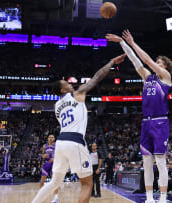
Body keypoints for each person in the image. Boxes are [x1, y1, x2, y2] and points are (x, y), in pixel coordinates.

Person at [31, 53, 126, 203]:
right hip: (75, 141)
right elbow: (97, 77)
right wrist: (112, 61)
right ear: (63, 90)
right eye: (66, 84)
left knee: (55, 181)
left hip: (61, 142)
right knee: (87, 183)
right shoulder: (77, 94)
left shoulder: (57, 106)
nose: (70, 84)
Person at [106, 30, 172, 203]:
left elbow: (146, 60)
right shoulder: (147, 77)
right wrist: (122, 43)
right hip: (146, 122)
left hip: (160, 122)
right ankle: (150, 198)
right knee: (146, 162)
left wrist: (133, 42)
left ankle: (163, 197)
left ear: (164, 67)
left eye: (159, 63)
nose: (156, 64)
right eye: (157, 62)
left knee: (160, 160)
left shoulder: (166, 77)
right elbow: (135, 60)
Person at [40, 134, 59, 203]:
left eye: (52, 137)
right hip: (46, 164)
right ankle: (40, 197)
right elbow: (42, 155)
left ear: (54, 139)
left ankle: (56, 198)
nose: (51, 138)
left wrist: (54, 158)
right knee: (42, 182)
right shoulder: (44, 146)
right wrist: (43, 156)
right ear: (48, 139)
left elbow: (60, 154)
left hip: (54, 165)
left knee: (54, 182)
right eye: (49, 137)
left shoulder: (56, 145)